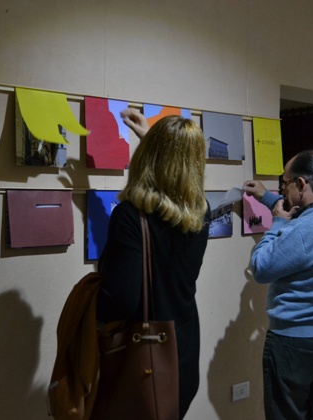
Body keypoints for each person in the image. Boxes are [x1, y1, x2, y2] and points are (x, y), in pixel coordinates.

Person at [96, 108, 211, 419]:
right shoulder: (201, 211)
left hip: (144, 360)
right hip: (181, 351)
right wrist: (157, 139)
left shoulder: (130, 215)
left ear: (147, 156)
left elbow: (121, 300)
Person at [243, 149, 313, 420]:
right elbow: (303, 216)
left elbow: (260, 268)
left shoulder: (300, 231)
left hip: (294, 345)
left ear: (302, 183)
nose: (282, 189)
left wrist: (276, 224)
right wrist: (267, 197)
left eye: (285, 183)